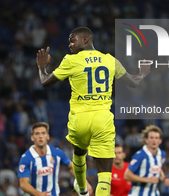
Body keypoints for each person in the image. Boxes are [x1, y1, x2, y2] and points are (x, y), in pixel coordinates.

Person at [36, 27, 150, 196]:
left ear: (85, 40)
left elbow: (45, 82)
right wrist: (142, 73)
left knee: (79, 153)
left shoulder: (71, 61)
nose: (69, 44)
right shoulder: (110, 60)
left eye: (72, 40)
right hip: (102, 119)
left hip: (80, 118)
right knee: (104, 174)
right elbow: (134, 82)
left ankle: (82, 190)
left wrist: (42, 67)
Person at [18, 122, 92, 196]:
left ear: (48, 136)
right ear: (32, 137)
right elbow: (23, 184)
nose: (40, 136)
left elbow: (72, 167)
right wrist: (39, 194)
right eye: (37, 134)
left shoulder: (57, 153)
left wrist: (84, 182)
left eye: (43, 133)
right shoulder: (26, 158)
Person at [124, 125, 169, 195]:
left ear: (160, 141)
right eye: (151, 138)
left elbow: (158, 167)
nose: (154, 140)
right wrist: (148, 180)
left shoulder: (162, 154)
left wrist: (163, 178)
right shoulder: (140, 155)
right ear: (146, 140)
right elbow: (127, 175)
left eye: (156, 138)